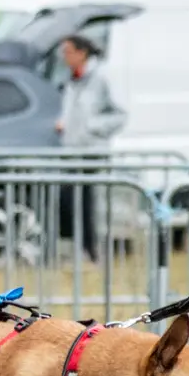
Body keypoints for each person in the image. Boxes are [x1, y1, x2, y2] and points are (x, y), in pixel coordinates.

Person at [55, 35, 126, 260]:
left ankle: (95, 250)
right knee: (73, 203)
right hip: (72, 152)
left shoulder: (101, 78)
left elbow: (119, 114)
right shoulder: (70, 81)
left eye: (68, 52)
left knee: (91, 205)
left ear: (81, 53)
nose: (64, 57)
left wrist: (92, 126)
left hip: (92, 152)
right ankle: (81, 249)